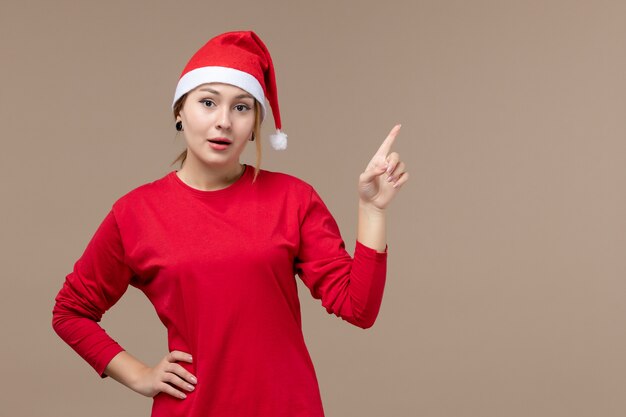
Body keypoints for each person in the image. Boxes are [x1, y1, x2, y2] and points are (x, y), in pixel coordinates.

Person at [52, 30, 408, 417]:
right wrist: (138, 375)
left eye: (241, 107)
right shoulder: (136, 213)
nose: (223, 121)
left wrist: (372, 211)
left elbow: (359, 308)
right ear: (179, 111)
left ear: (255, 122)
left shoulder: (293, 199)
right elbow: (70, 311)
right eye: (207, 102)